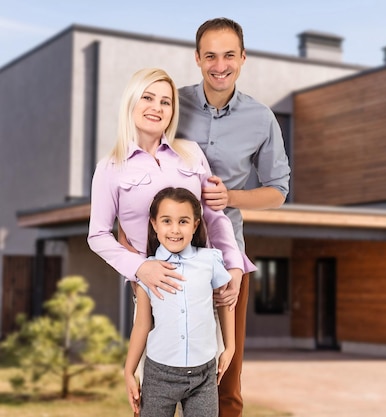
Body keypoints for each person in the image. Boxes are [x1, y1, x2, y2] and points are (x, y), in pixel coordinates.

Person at [176, 17, 291, 417]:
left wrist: (232, 196)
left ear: (243, 58)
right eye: (210, 56)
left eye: (228, 55)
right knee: (158, 373)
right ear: (197, 59)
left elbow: (278, 191)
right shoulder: (172, 104)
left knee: (226, 380)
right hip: (168, 256)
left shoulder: (262, 119)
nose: (219, 65)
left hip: (226, 262)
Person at [88, 67, 253, 302]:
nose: (157, 107)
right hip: (156, 292)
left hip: (205, 287)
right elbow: (98, 235)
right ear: (131, 101)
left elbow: (214, 216)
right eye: (147, 97)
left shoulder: (192, 152)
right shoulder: (110, 167)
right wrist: (140, 268)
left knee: (219, 340)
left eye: (166, 102)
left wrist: (234, 265)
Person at [124, 187, 234, 417]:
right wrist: (129, 371)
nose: (175, 230)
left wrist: (230, 346)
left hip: (204, 375)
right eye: (166, 221)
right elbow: (142, 325)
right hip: (158, 375)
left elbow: (224, 302)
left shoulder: (209, 260)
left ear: (195, 225)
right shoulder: (147, 270)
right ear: (154, 224)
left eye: (183, 221)